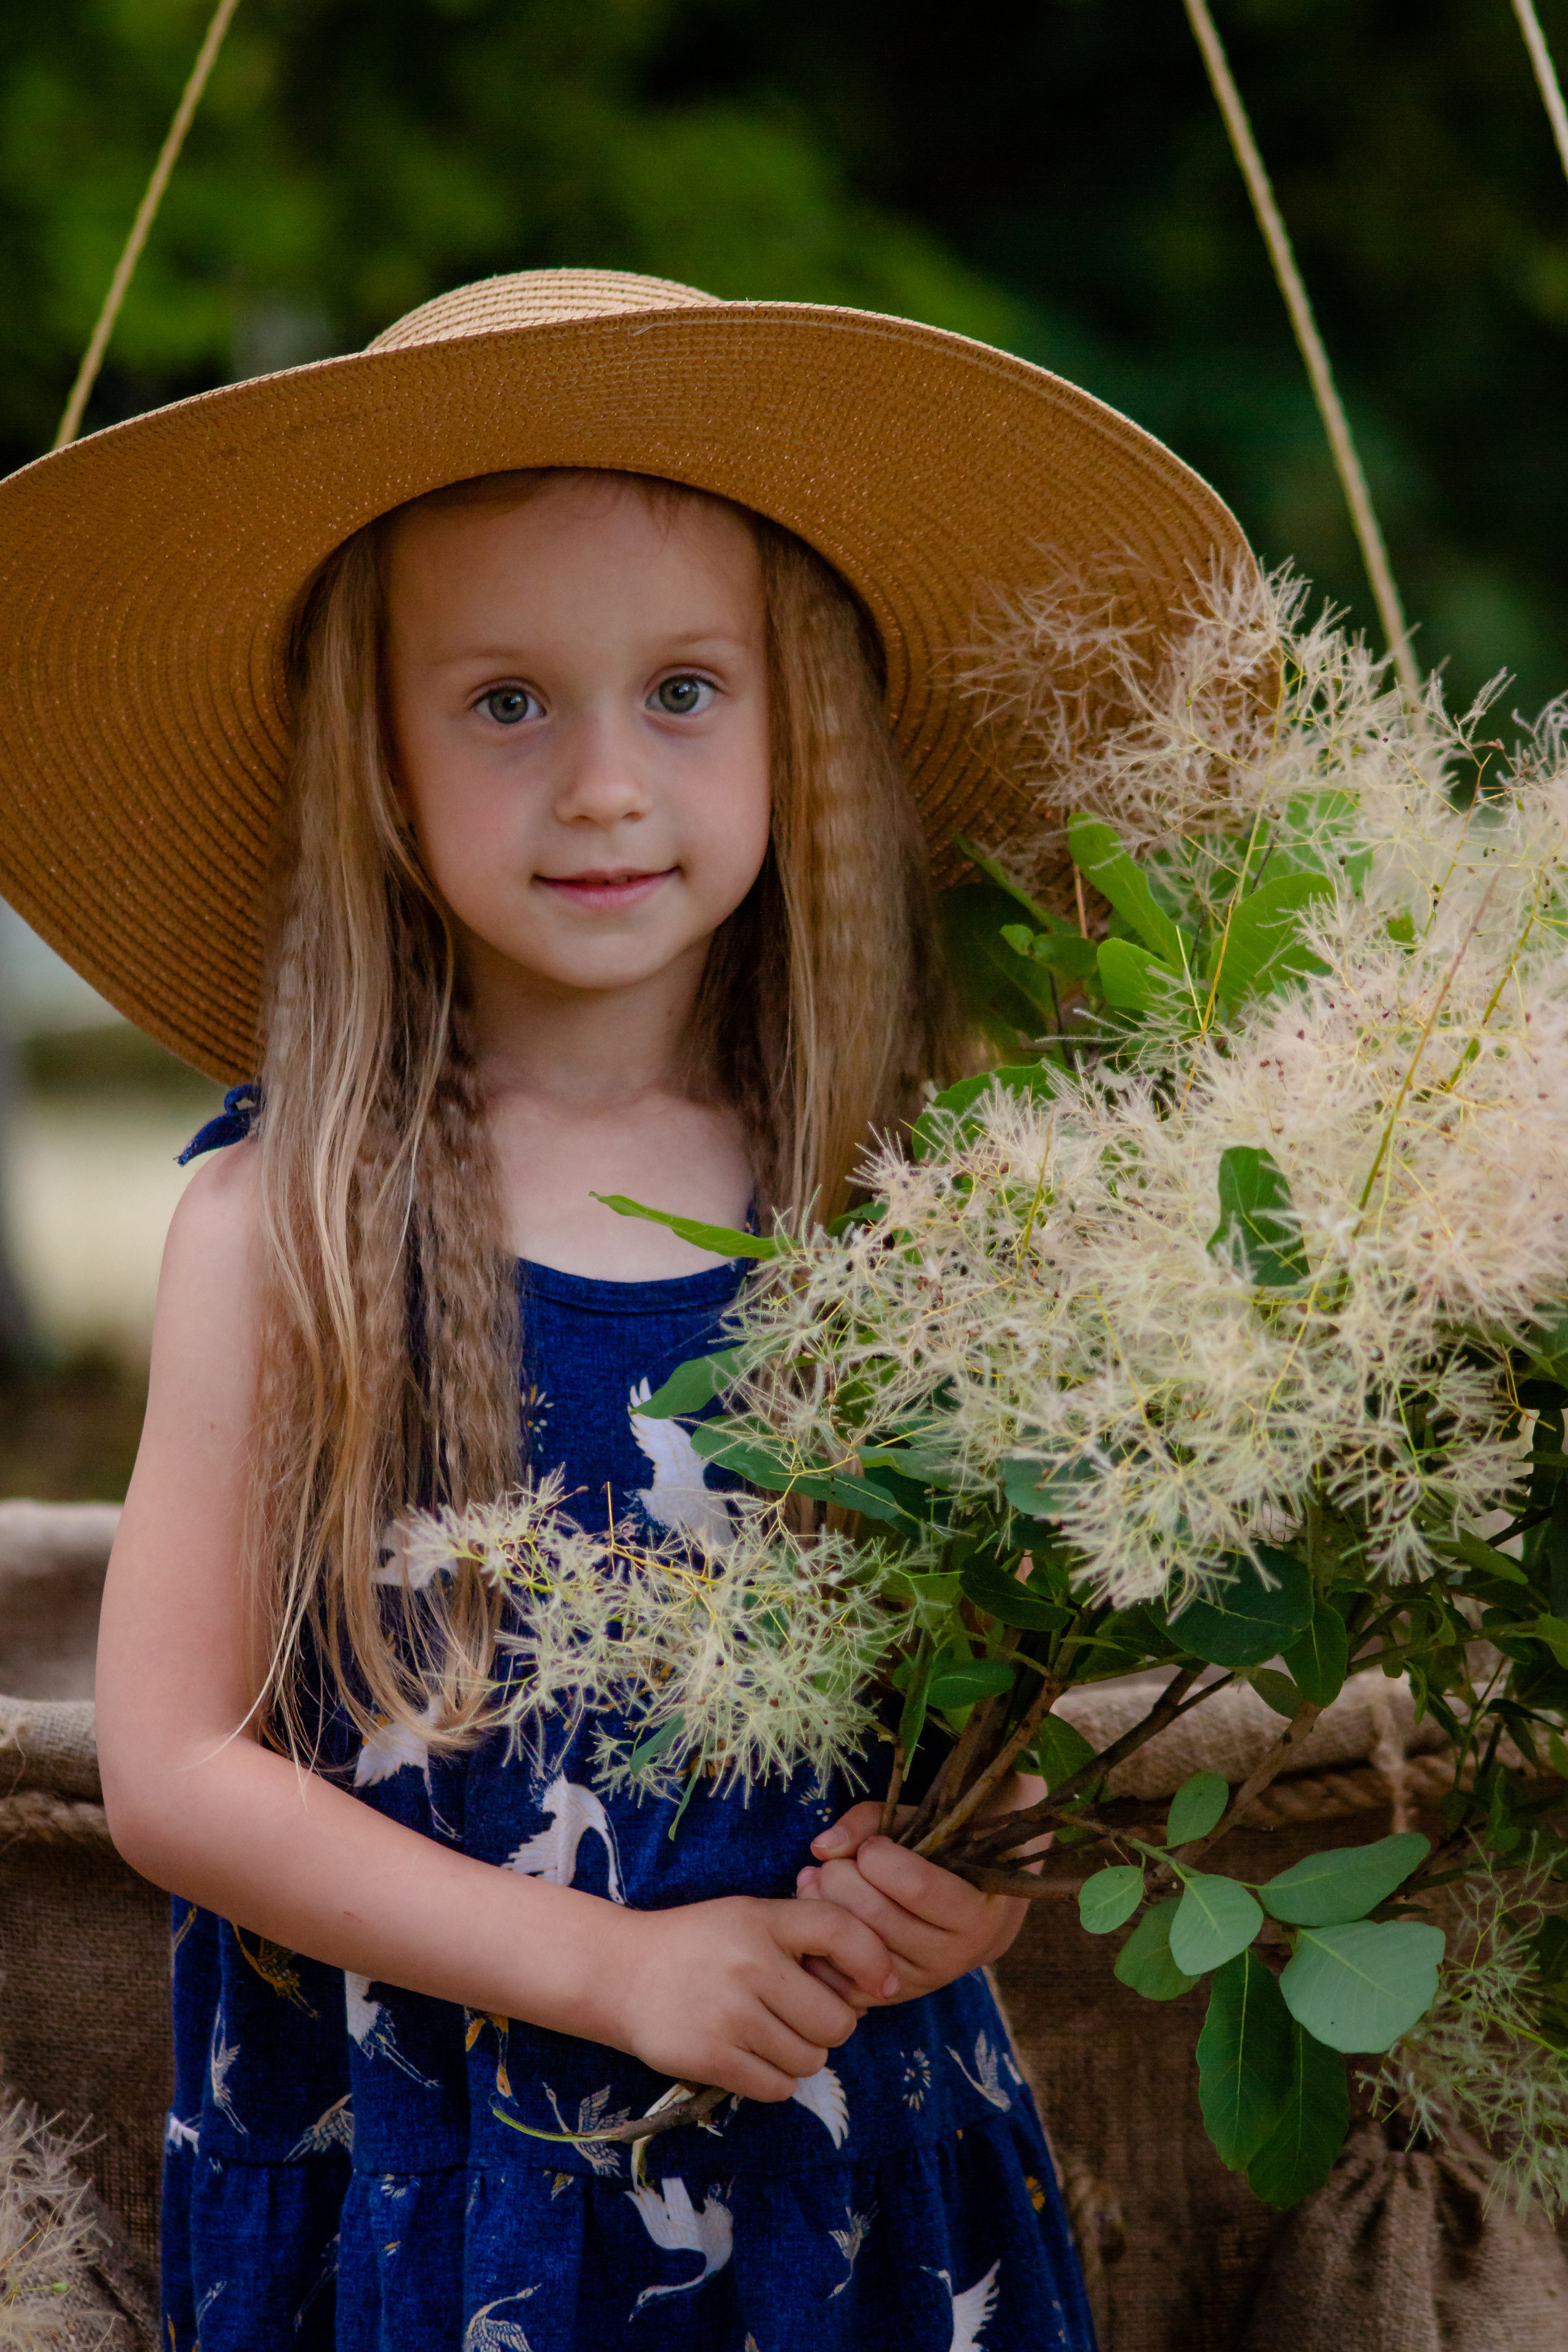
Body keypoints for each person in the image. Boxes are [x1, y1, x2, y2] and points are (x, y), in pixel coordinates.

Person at [0, 270, 1251, 2351]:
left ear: (798, 732)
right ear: (378, 759)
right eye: (506, 703)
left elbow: (986, 1720)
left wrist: (966, 1892)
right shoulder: (289, 1224)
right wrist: (612, 1970)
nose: (601, 784)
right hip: (441, 2191)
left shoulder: (907, 1213)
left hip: (848, 2185)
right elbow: (173, 1771)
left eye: (683, 691)